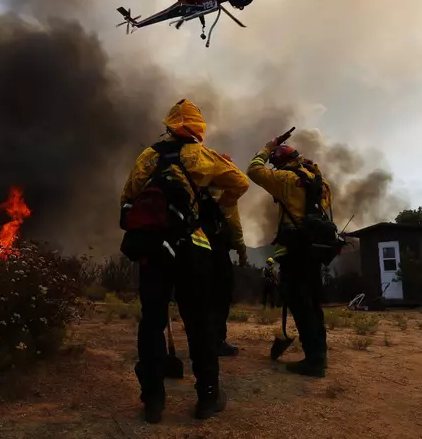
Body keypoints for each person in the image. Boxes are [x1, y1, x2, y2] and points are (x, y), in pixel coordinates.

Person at [120, 99, 249, 422]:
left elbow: (127, 198)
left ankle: (153, 401)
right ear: (196, 128)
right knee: (199, 321)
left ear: (169, 126)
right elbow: (241, 182)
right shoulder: (201, 156)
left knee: (151, 323)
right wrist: (216, 201)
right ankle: (207, 398)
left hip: (153, 252)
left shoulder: (148, 157)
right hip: (193, 248)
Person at [246, 135, 339, 378]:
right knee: (314, 305)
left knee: (301, 305)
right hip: (315, 252)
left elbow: (254, 170)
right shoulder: (322, 183)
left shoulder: (285, 179)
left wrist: (266, 148)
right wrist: (312, 167)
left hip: (294, 252)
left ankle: (314, 361)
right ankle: (320, 356)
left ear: (281, 163)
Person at [199, 155, 248, 357]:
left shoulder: (195, 191)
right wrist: (241, 251)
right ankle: (217, 341)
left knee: (201, 297)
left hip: (195, 251)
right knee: (221, 297)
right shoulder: (227, 196)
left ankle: (200, 339)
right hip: (218, 253)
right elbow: (235, 226)